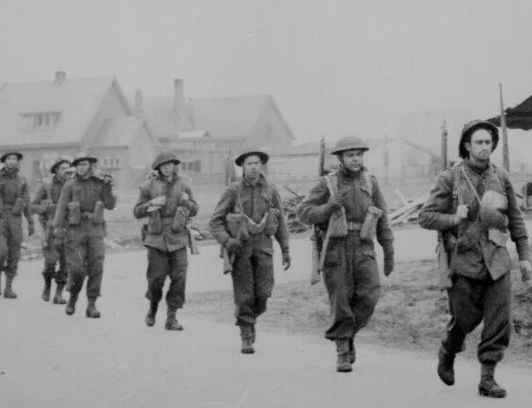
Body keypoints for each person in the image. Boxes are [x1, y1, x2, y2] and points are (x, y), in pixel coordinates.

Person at [419, 119, 531, 399]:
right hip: (465, 261)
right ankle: (448, 350)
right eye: (479, 142)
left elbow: (515, 218)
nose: (485, 147)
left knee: (499, 319)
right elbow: (425, 217)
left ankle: (487, 378)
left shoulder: (501, 177)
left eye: (488, 142)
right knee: (464, 320)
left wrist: (525, 256)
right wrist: (453, 218)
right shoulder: (450, 178)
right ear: (467, 146)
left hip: (497, 259)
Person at [298, 135, 394, 373]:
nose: (355, 159)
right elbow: (304, 212)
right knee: (340, 299)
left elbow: (382, 216)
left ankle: (348, 334)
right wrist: (328, 207)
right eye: (350, 155)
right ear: (340, 158)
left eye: (359, 155)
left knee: (369, 295)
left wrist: (389, 248)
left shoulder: (370, 182)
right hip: (336, 247)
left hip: (363, 246)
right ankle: (342, 351)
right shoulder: (327, 184)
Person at [209, 149, 291, 354]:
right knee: (244, 294)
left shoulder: (271, 191)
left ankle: (248, 319)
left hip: (264, 248)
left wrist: (285, 249)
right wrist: (227, 241)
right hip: (241, 249)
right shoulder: (233, 191)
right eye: (249, 164)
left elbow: (280, 222)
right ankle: (246, 335)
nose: (254, 166)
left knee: (263, 294)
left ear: (261, 165)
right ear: (242, 167)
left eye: (257, 163)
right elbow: (215, 222)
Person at [132, 150, 200, 331]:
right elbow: (137, 211)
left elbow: (195, 209)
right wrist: (152, 203)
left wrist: (187, 202)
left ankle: (172, 317)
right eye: (164, 165)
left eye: (170, 164)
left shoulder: (184, 184)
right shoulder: (148, 186)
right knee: (155, 280)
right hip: (156, 238)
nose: (167, 167)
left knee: (179, 278)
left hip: (178, 236)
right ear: (158, 167)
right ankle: (153, 307)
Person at [52, 153, 116, 317]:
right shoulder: (70, 185)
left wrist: (109, 188)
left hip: (95, 229)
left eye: (84, 164)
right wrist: (58, 230)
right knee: (78, 269)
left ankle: (91, 305)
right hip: (75, 231)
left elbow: (110, 204)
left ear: (91, 166)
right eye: (78, 164)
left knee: (96, 267)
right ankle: (73, 298)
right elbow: (61, 208)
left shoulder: (100, 183)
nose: (81, 167)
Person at [0, 150, 33, 299]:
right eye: (9, 159)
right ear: (4, 161)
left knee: (14, 253)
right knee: (0, 252)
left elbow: (26, 200)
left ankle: (8, 287)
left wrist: (30, 222)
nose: (11, 161)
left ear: (17, 161)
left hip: (15, 218)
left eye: (14, 159)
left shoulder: (22, 179)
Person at [32, 158, 73, 303]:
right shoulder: (47, 186)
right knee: (50, 261)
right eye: (63, 168)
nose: (66, 171)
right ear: (56, 170)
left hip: (68, 227)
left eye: (69, 168)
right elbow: (34, 206)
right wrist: (45, 208)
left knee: (65, 262)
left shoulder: (73, 185)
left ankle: (59, 294)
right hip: (51, 228)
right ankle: (47, 287)